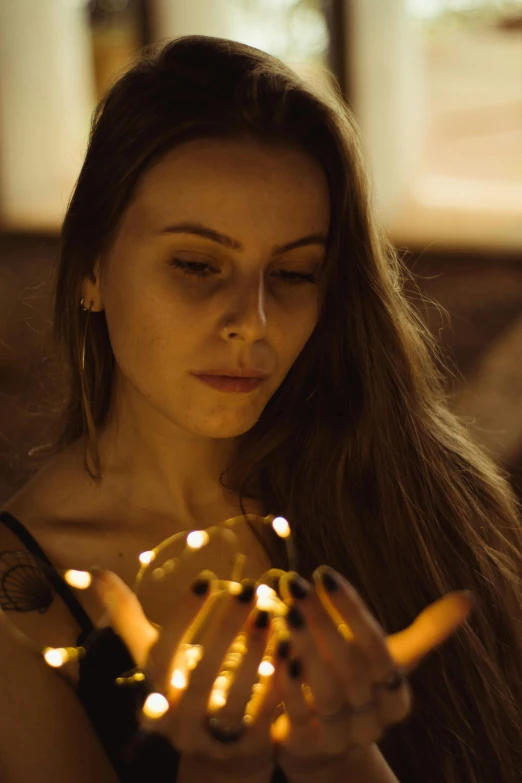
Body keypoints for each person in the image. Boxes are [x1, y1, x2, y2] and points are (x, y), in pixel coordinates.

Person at [0, 34, 521, 783]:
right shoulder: (24, 599)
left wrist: (341, 755)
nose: (255, 321)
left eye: (293, 272)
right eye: (197, 265)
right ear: (90, 268)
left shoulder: (418, 494)